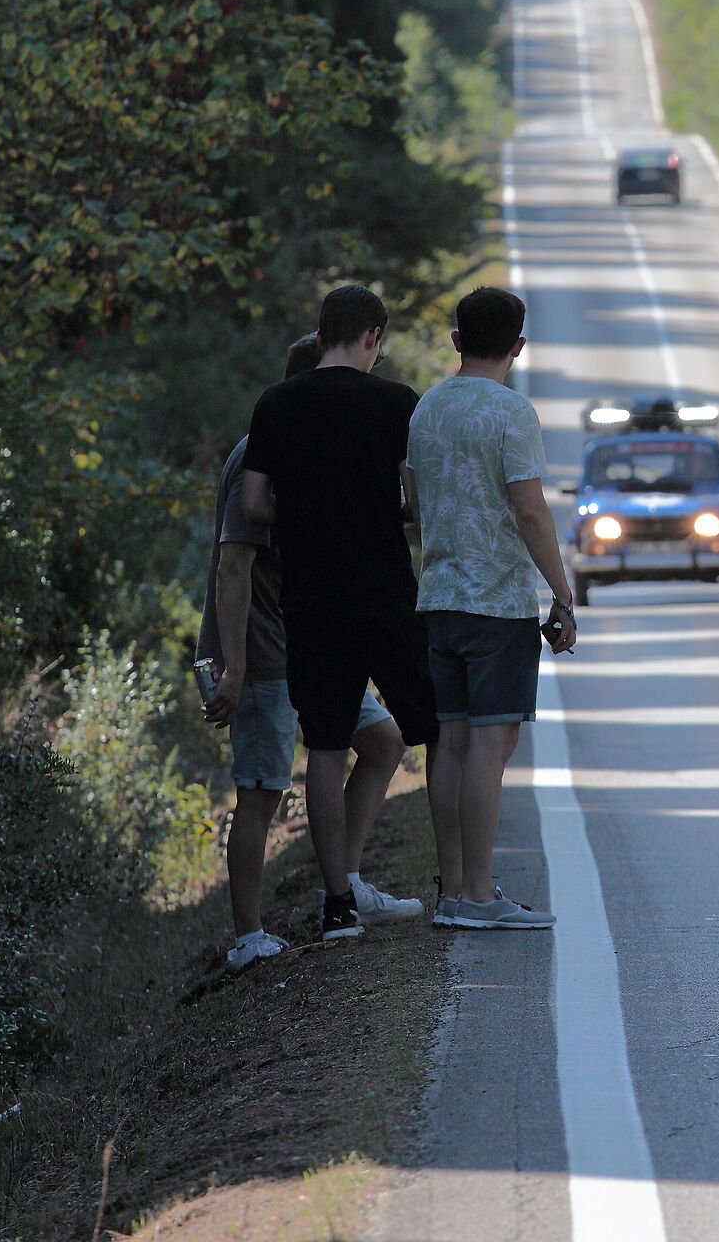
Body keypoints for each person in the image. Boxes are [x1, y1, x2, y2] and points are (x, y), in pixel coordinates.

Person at [202, 334, 423, 970]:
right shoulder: (258, 458)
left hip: (313, 641)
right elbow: (233, 567)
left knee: (383, 743)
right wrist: (233, 664)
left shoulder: (300, 449)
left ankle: (345, 882)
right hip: (267, 651)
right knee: (262, 792)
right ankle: (247, 935)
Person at [241, 287, 440, 944]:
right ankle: (458, 881)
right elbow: (414, 503)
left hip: (310, 599)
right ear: (372, 337)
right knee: (436, 728)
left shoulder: (276, 404)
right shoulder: (396, 402)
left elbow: (255, 504)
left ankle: (337, 906)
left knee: (324, 746)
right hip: (383, 590)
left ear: (320, 333)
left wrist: (303, 512)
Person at [408, 287, 578, 930]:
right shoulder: (511, 412)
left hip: (438, 595)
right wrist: (561, 594)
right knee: (492, 741)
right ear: (519, 346)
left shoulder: (426, 410)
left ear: (455, 340)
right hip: (496, 601)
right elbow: (529, 508)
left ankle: (453, 890)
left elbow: (416, 505)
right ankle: (480, 894)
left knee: (450, 740)